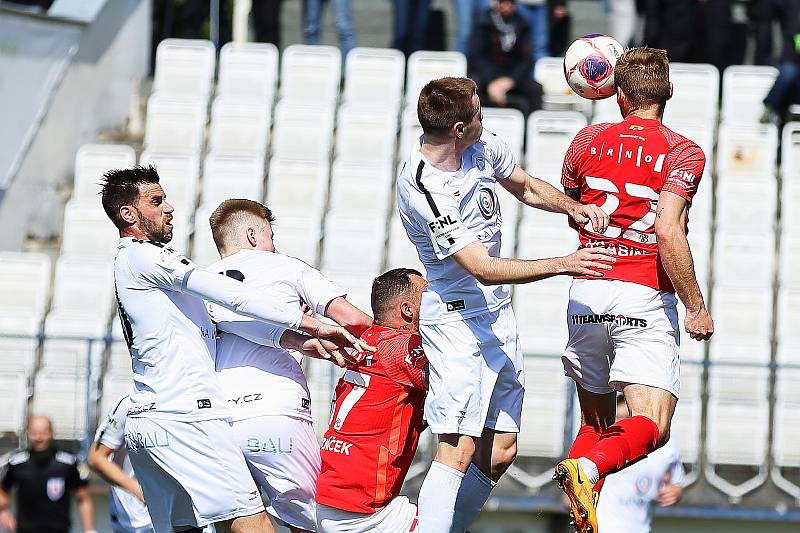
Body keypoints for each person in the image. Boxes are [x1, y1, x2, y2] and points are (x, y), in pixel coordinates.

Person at [396, 76, 614, 533]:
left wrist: (571, 207)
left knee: (501, 451)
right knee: (458, 448)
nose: (484, 117)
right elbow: (479, 266)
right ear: (458, 127)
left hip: (496, 314)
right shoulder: (424, 188)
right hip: (455, 320)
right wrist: (563, 263)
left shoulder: (479, 145)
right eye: (477, 112)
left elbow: (527, 186)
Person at [100, 165, 368, 533]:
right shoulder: (148, 257)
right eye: (156, 201)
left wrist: (301, 342)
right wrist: (309, 321)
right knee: (254, 522)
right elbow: (235, 297)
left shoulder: (128, 265)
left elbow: (230, 323)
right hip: (186, 416)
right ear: (127, 214)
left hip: (147, 421)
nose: (169, 208)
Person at [553, 47, 713, 533]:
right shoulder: (684, 150)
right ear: (669, 92)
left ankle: (585, 492)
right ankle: (588, 470)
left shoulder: (585, 139)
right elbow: (667, 229)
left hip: (586, 288)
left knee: (597, 425)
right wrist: (695, 305)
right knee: (654, 424)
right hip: (641, 291)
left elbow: (573, 210)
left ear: (615, 94)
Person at [204, 198, 373, 533]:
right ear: (253, 235)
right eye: (269, 236)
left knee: (241, 520)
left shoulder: (200, 281)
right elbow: (352, 319)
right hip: (274, 414)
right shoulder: (283, 266)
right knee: (317, 523)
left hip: (215, 420)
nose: (273, 245)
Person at [315, 268, 429, 533]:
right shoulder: (404, 346)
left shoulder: (370, 340)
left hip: (333, 500)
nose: (438, 302)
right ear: (408, 310)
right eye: (429, 296)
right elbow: (457, 383)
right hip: (363, 513)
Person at [595, 394, 684, 533]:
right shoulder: (600, 445)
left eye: (628, 418)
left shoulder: (665, 446)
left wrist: (675, 493)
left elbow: (676, 483)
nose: (622, 424)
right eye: (618, 418)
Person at [0, 416, 96, 533]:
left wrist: (89, 530)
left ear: (52, 433)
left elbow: (83, 498)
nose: (39, 438)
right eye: (34, 433)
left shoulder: (67, 462)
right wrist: (3, 512)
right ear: (28, 433)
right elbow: (3, 491)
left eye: (43, 433)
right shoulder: (17, 463)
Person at [88, 395, 154, 533]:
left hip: (179, 514)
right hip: (136, 520)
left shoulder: (186, 399)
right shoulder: (127, 404)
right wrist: (139, 490)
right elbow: (96, 458)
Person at [468, 0, 543, 117]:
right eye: (502, 2)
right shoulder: (484, 22)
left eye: (510, 3)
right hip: (488, 77)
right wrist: (491, 81)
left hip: (512, 77)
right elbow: (477, 56)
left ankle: (528, 131)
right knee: (472, 88)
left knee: (535, 90)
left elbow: (526, 59)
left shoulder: (521, 24)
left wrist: (510, 80)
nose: (506, 6)